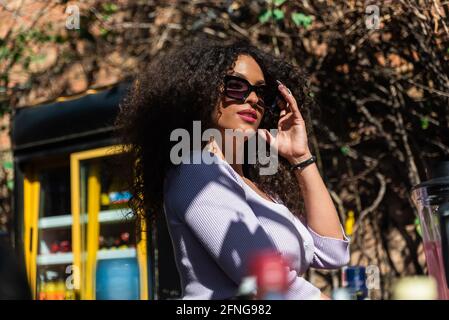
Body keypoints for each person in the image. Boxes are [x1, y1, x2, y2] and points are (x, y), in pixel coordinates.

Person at [116, 38, 350, 300]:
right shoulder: (196, 171)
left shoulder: (255, 186)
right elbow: (269, 283)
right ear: (201, 93)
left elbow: (333, 252)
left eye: (261, 92)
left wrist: (301, 157)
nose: (253, 99)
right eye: (236, 86)